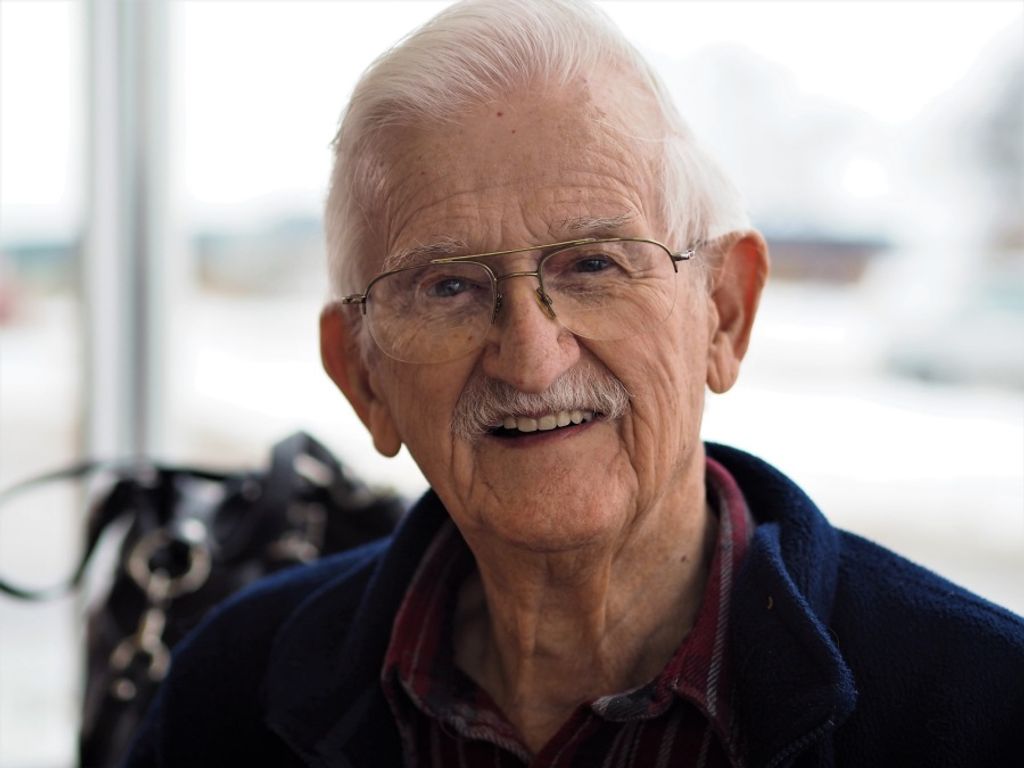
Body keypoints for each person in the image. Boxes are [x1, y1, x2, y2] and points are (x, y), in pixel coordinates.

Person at [125, 1, 1023, 765]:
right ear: (363, 376)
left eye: (594, 264)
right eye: (447, 286)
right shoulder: (230, 691)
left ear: (723, 313)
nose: (530, 358)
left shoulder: (984, 709)